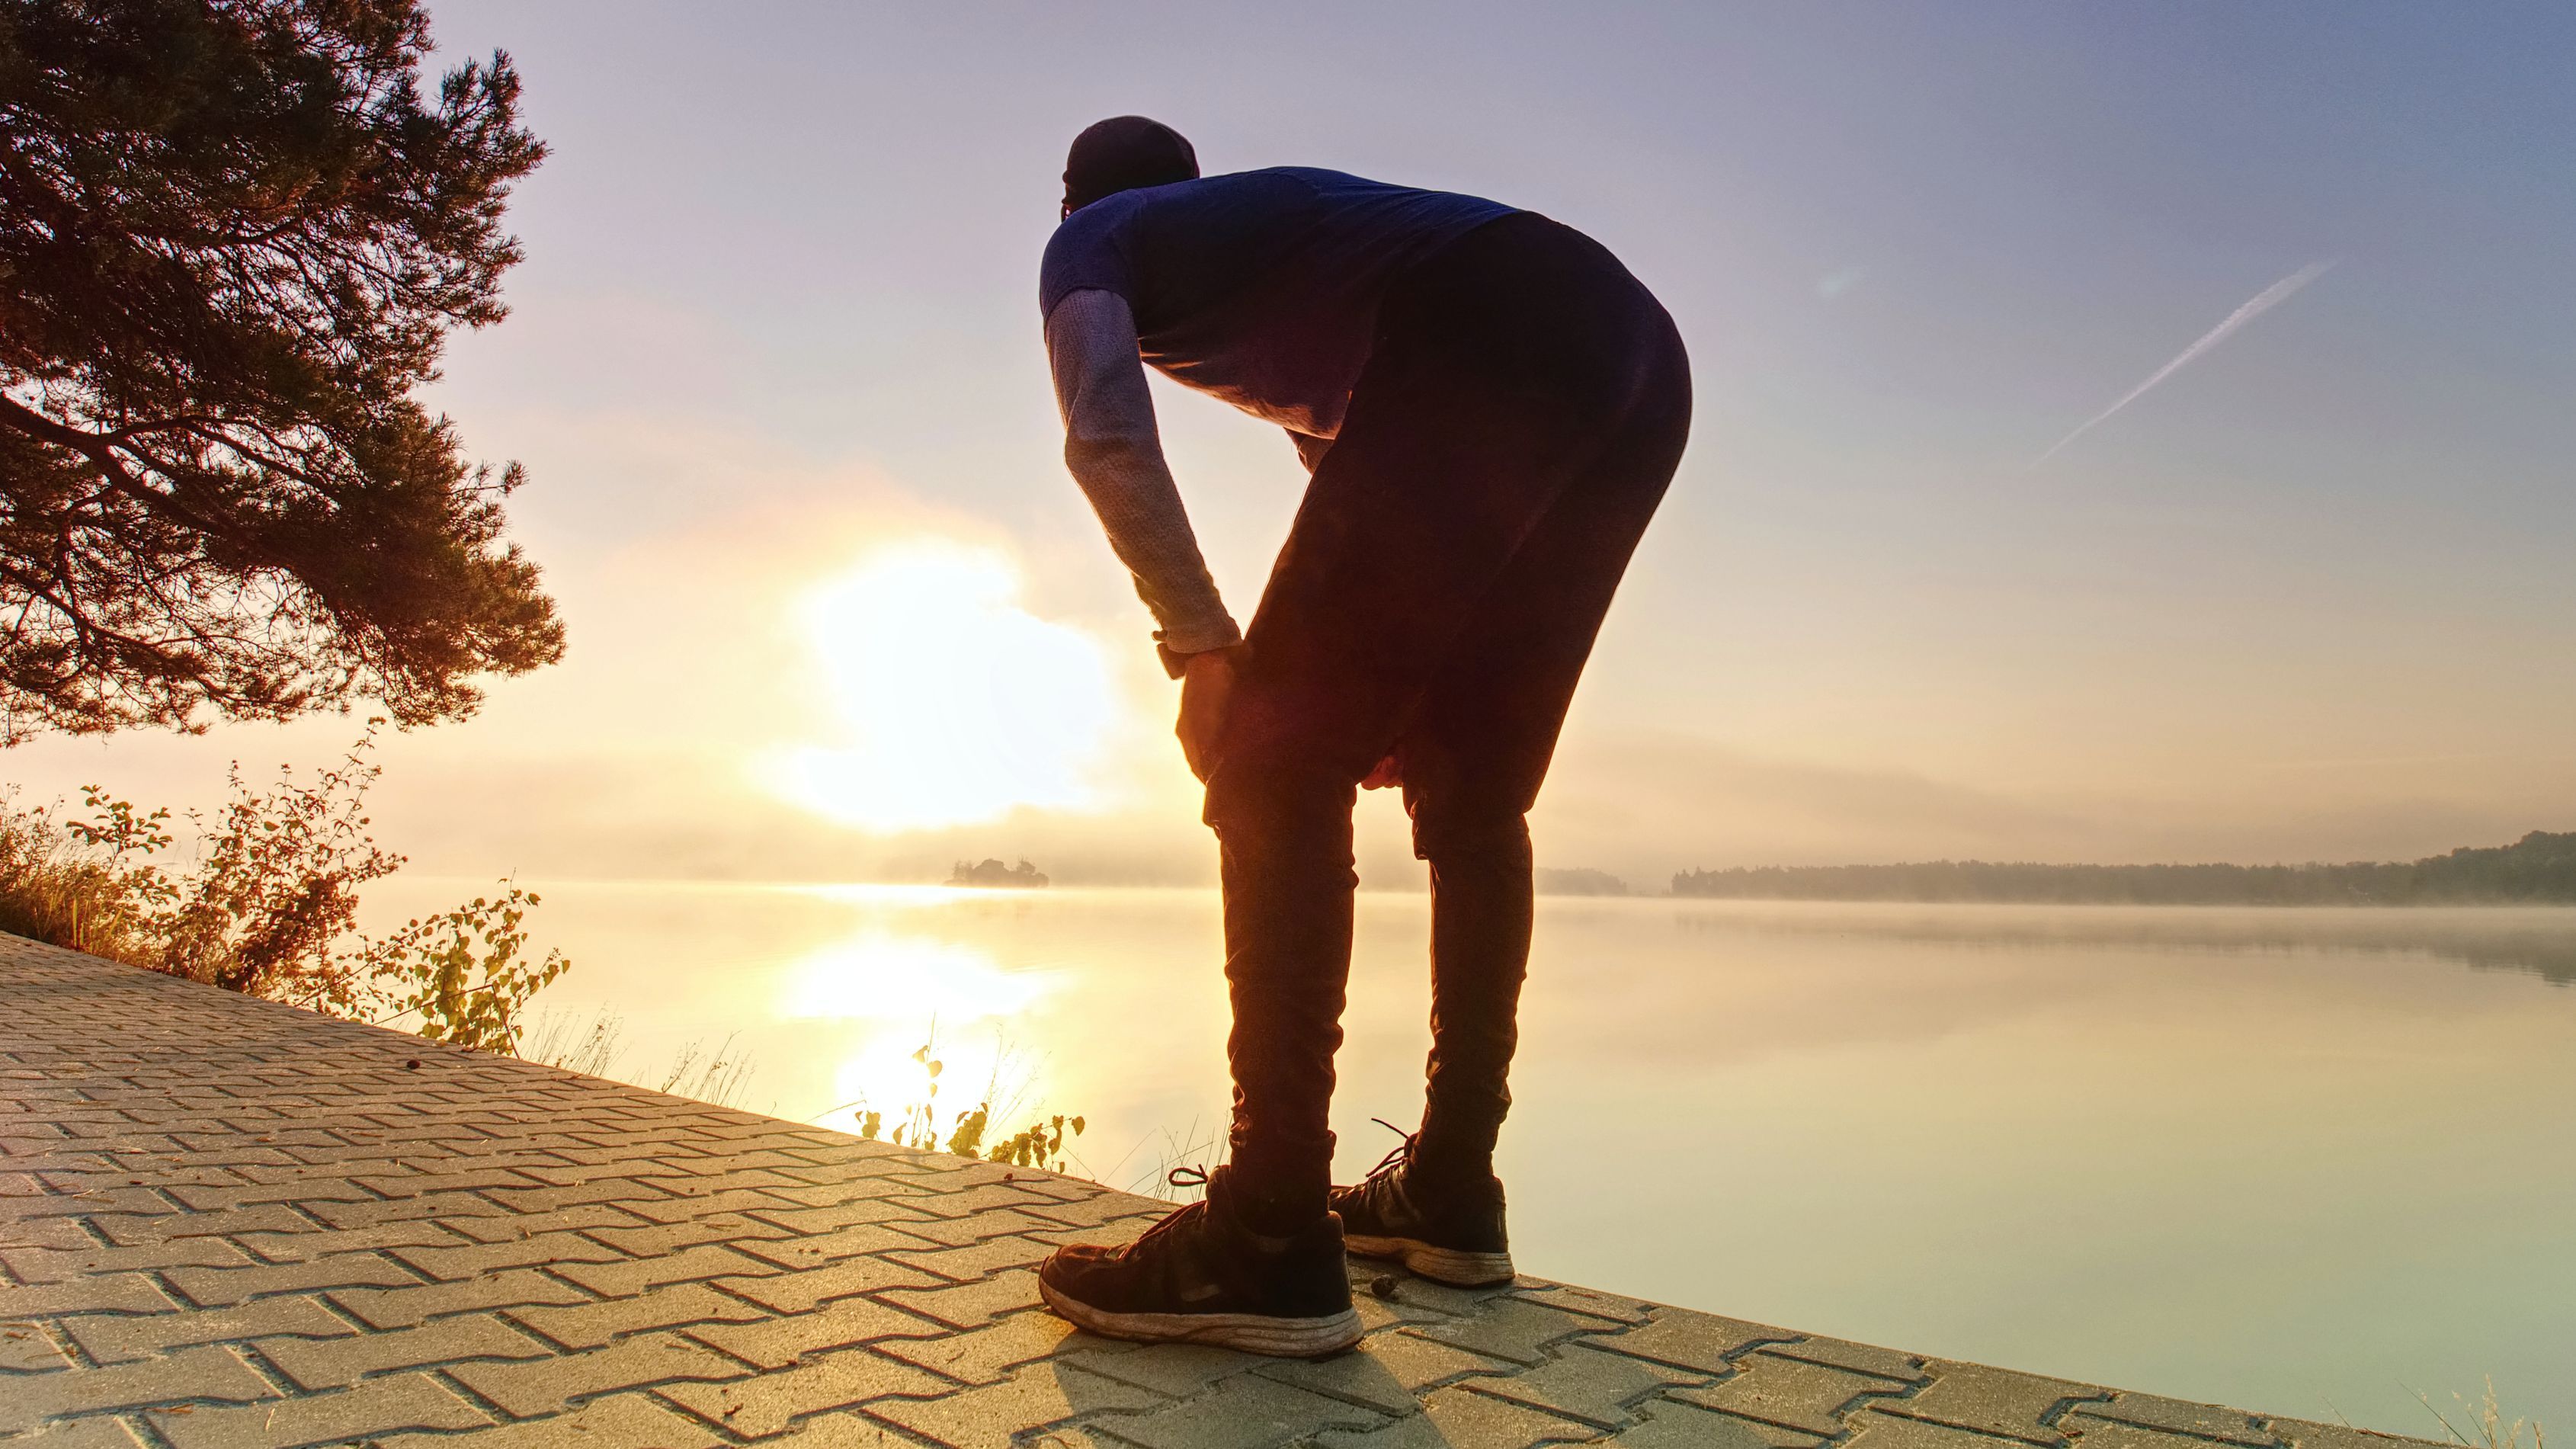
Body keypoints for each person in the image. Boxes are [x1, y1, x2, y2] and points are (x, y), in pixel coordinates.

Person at [1032, 117, 1691, 1357]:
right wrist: (1383, 676)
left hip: (1500, 318)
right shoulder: (1279, 243)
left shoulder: (1092, 245)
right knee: (1475, 788)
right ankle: (1450, 1187)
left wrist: (1205, 652)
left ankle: (1269, 1231)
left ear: (1070, 201)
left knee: (1269, 757)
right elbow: (1344, 460)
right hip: (1640, 357)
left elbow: (1105, 432)